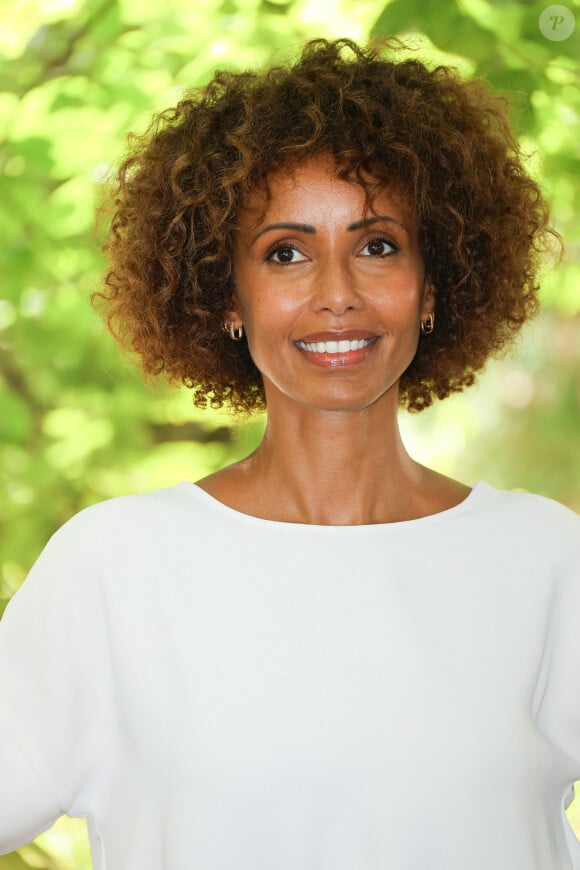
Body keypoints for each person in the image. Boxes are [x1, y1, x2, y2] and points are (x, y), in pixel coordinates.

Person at [0, 37, 578, 870]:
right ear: (225, 297)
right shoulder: (116, 567)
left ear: (435, 286)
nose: (337, 292)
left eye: (378, 245)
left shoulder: (546, 560)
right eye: (286, 252)